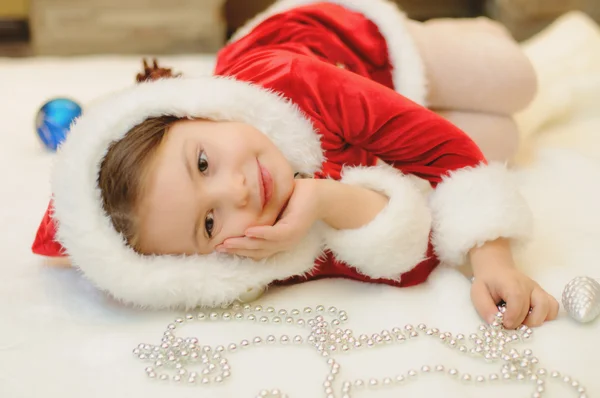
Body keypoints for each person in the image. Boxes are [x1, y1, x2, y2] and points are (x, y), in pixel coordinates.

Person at [32, 0, 558, 329]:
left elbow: (439, 149)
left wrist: (494, 261)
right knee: (502, 140)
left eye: (203, 162)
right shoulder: (263, 249)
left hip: (356, 53)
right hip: (363, 138)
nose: (236, 192)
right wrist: (327, 200)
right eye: (209, 222)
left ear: (200, 111)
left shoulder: (282, 77)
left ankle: (444, 37)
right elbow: (410, 257)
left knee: (517, 81)